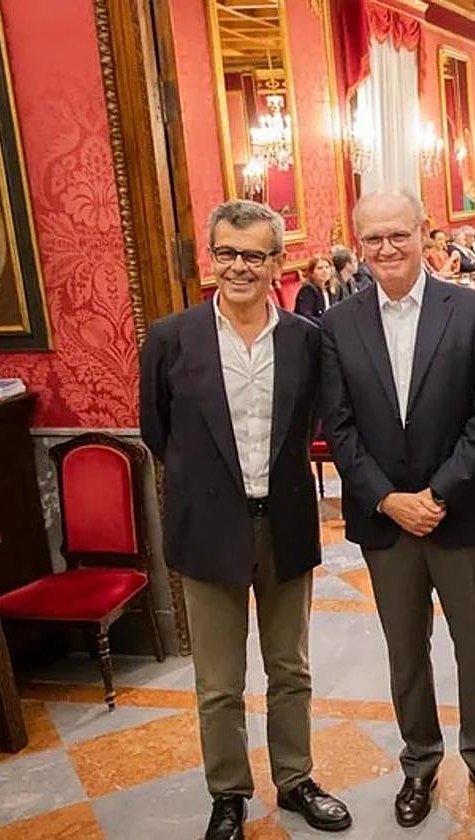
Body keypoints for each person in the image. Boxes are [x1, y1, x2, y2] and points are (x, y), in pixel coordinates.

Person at [139, 200, 351, 840]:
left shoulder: (306, 341)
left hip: (283, 523)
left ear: (276, 262)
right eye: (227, 253)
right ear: (212, 257)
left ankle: (295, 780)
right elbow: (158, 432)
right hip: (207, 529)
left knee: (290, 669)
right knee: (219, 681)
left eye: (254, 255)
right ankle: (228, 793)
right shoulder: (173, 338)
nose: (239, 266)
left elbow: (315, 422)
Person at [320, 189, 475, 828]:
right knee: (405, 648)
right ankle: (420, 763)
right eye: (372, 238)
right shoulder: (339, 324)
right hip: (385, 520)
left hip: (458, 513)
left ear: (423, 233)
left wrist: (434, 495)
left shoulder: (472, 311)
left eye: (398, 234)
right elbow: (339, 428)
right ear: (358, 244)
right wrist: (389, 499)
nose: (386, 248)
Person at [294, 254, 334, 324]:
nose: (324, 271)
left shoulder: (329, 289)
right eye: (320, 268)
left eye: (327, 267)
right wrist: (325, 324)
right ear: (312, 273)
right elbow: (305, 316)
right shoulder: (308, 290)